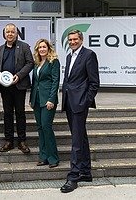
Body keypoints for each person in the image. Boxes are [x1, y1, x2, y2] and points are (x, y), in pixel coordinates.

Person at [60, 29, 100, 193]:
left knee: (76, 141)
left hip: (79, 103)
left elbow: (94, 83)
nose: (72, 42)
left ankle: (74, 176)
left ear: (81, 39)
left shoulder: (89, 55)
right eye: (70, 40)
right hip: (69, 102)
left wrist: (85, 101)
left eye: (75, 39)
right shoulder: (70, 56)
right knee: (81, 137)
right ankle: (85, 171)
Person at [0, 23, 34, 154]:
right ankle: (9, 141)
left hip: (19, 85)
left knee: (20, 113)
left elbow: (30, 63)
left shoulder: (24, 46)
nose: (10, 34)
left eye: (12, 32)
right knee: (7, 113)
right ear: (4, 34)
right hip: (5, 87)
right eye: (7, 32)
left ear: (16, 34)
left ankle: (22, 141)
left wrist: (19, 76)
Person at [29, 39, 60, 168]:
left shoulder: (54, 61)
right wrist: (31, 99)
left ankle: (53, 158)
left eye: (44, 47)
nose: (42, 49)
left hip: (48, 100)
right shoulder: (37, 63)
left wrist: (51, 99)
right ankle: (43, 157)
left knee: (46, 127)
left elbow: (55, 81)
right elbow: (35, 83)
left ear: (48, 48)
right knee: (40, 128)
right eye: (39, 47)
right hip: (37, 100)